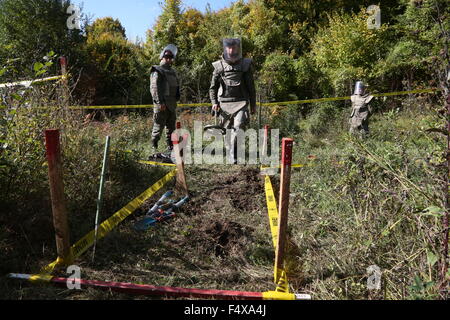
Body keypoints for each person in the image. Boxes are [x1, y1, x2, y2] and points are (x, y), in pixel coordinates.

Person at [209, 38, 256, 164]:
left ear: (238, 49)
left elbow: (251, 87)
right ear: (225, 49)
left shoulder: (245, 65)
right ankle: (230, 152)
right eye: (229, 47)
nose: (231, 49)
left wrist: (253, 105)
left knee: (238, 128)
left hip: (241, 102)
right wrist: (214, 103)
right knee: (227, 131)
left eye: (234, 47)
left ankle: (233, 155)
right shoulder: (218, 66)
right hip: (224, 104)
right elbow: (212, 88)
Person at [150, 44, 180, 153]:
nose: (168, 60)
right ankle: (154, 148)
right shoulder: (157, 70)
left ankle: (170, 148)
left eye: (170, 58)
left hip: (171, 104)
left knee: (171, 128)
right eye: (166, 57)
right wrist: (159, 102)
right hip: (161, 105)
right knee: (158, 127)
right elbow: (154, 88)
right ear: (162, 57)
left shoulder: (173, 72)